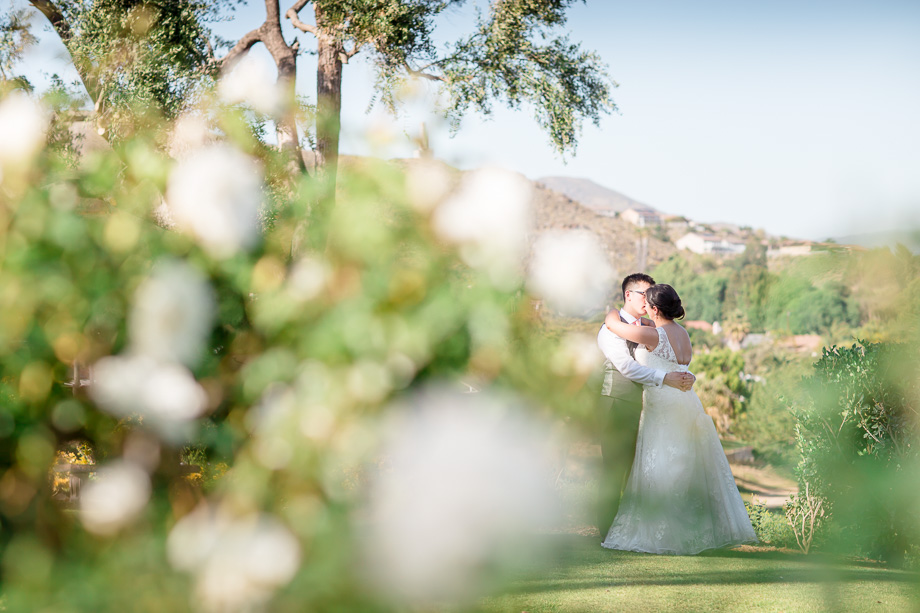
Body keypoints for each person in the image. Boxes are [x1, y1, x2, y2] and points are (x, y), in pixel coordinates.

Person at [600, 284, 757, 554]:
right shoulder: (683, 333)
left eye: (648, 304)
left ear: (656, 309)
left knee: (662, 463)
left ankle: (664, 532)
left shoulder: (653, 336)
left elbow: (616, 326)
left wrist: (611, 313)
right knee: (684, 464)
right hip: (686, 401)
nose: (645, 308)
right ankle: (692, 530)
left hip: (662, 403)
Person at [595, 273, 695, 536]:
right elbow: (627, 368)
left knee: (639, 469)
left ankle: (632, 526)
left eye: (652, 295)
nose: (648, 299)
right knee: (615, 468)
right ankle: (605, 530)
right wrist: (667, 378)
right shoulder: (611, 328)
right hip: (618, 402)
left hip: (651, 407)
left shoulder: (651, 328)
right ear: (629, 295)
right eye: (644, 293)